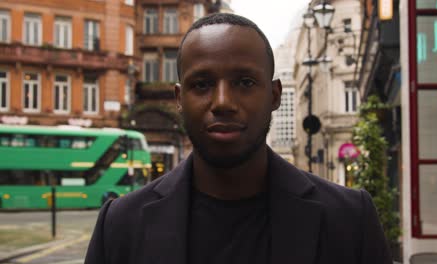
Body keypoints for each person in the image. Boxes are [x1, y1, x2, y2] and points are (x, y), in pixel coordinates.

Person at [85, 13, 392, 264]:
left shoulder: (350, 219)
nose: (222, 102)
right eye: (202, 84)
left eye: (244, 82)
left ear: (274, 95)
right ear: (179, 98)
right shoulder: (120, 225)